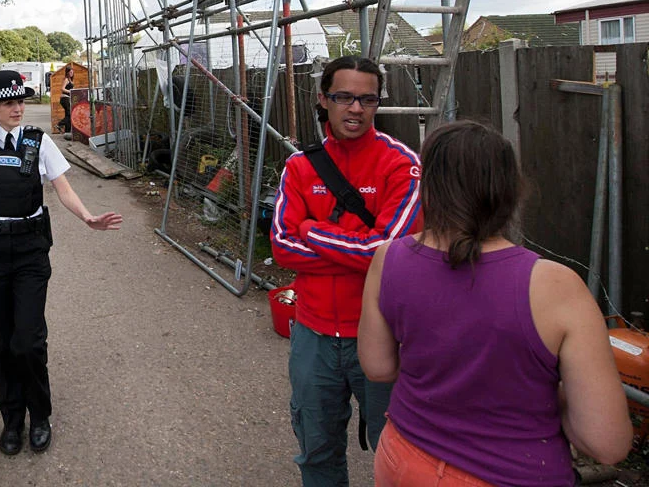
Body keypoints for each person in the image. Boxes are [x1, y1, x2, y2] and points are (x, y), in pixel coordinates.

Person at [358, 121, 631, 487]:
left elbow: (377, 367)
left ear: (428, 188)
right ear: (510, 190)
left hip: (404, 458)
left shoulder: (389, 258)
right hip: (512, 473)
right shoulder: (556, 286)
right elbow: (607, 442)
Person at [0, 70, 122, 456]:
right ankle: (12, 418)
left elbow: (63, 189)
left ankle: (39, 414)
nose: (18, 108)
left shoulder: (39, 143)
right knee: (0, 342)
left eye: (20, 101)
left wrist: (88, 217)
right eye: (9, 103)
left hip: (29, 252)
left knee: (27, 341)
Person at [270, 54, 424, 486]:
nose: (356, 109)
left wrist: (312, 230)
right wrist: (358, 249)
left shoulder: (401, 164)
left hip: (383, 335)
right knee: (316, 450)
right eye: (344, 97)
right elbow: (281, 246)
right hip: (312, 335)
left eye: (367, 99)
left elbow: (388, 252)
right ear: (323, 99)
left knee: (397, 454)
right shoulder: (300, 166)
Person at [57, 66, 74, 133]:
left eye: (72, 72)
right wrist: (70, 91)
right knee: (69, 115)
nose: (72, 73)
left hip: (67, 98)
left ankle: (67, 132)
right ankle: (59, 124)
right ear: (67, 73)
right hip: (65, 99)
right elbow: (62, 89)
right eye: (70, 72)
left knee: (68, 115)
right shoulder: (66, 79)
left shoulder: (70, 80)